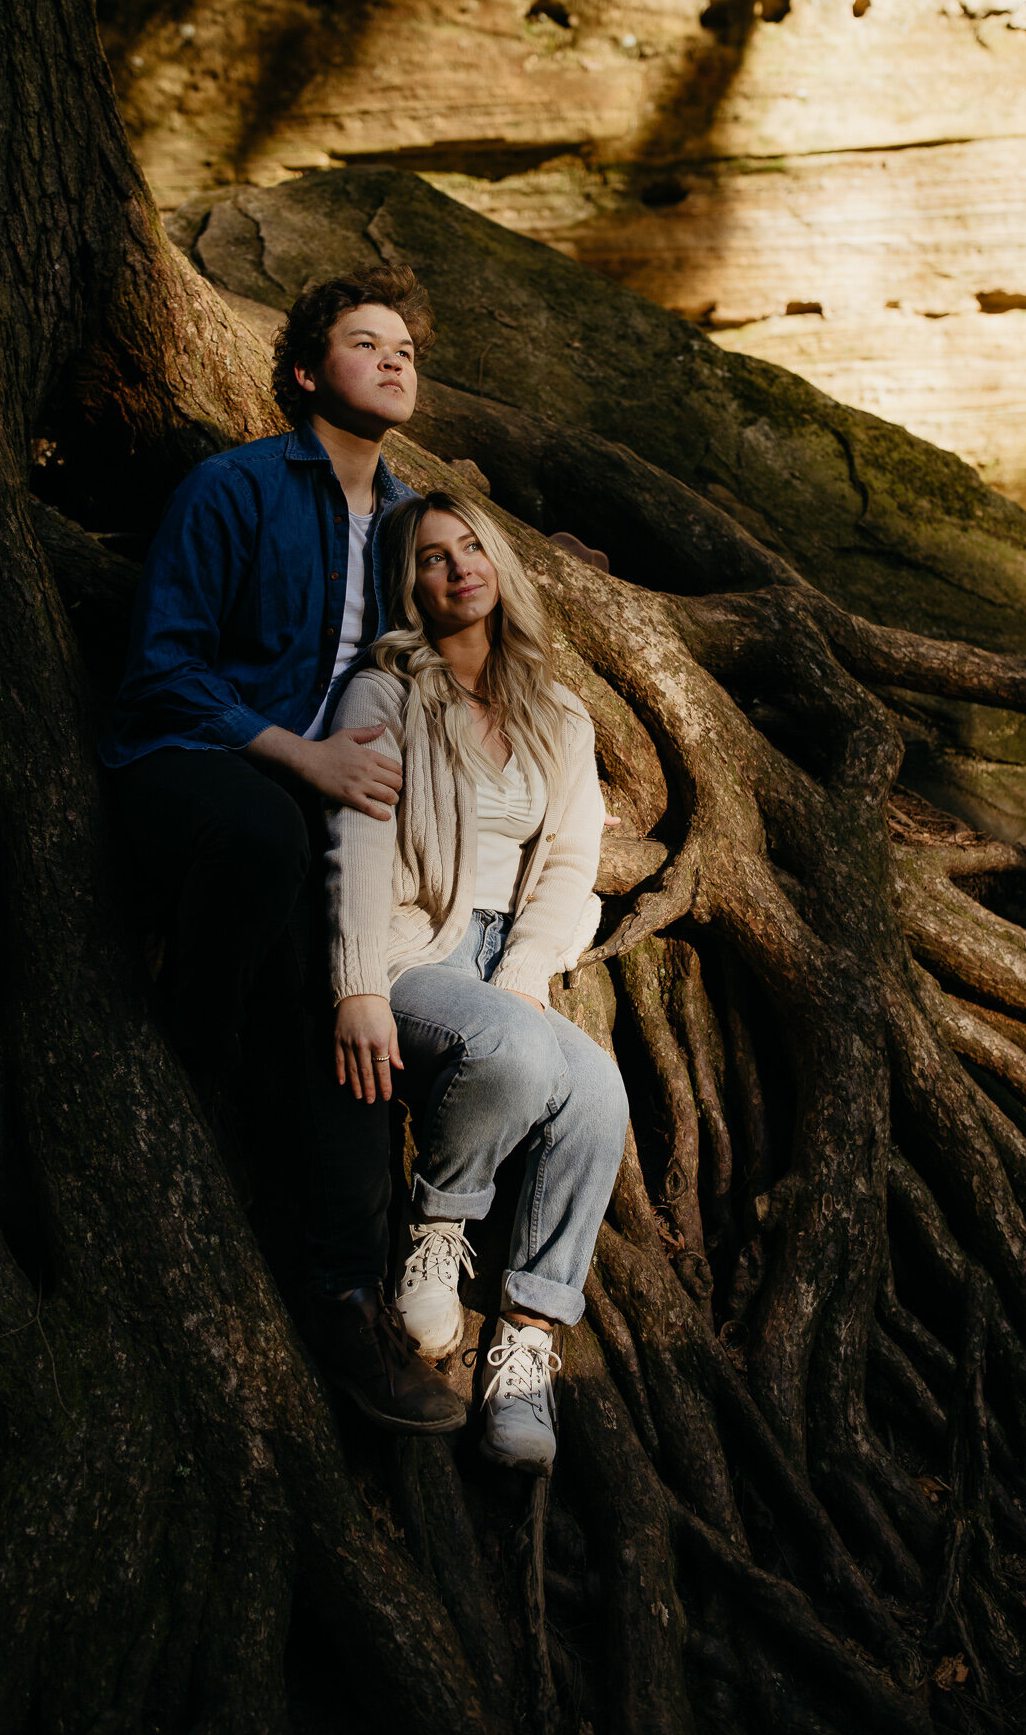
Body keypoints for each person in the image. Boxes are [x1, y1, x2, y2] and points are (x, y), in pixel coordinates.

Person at [100, 264, 465, 1436]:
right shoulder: (236, 486)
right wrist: (300, 759)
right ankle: (194, 1045)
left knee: (356, 1024)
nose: (396, 357)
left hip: (326, 815)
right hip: (196, 769)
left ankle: (346, 1295)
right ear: (308, 371)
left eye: (407, 344)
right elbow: (164, 669)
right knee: (263, 833)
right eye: (367, 341)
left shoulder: (414, 524)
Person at [326, 487, 630, 1475]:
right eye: (429, 556)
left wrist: (533, 967)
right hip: (416, 953)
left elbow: (574, 860)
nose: (457, 566)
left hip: (511, 961)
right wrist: (359, 983)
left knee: (596, 1090)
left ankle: (528, 1341)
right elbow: (359, 844)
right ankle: (438, 1224)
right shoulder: (384, 693)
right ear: (406, 585)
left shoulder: (557, 708)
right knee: (511, 1045)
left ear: (498, 562)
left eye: (471, 547)